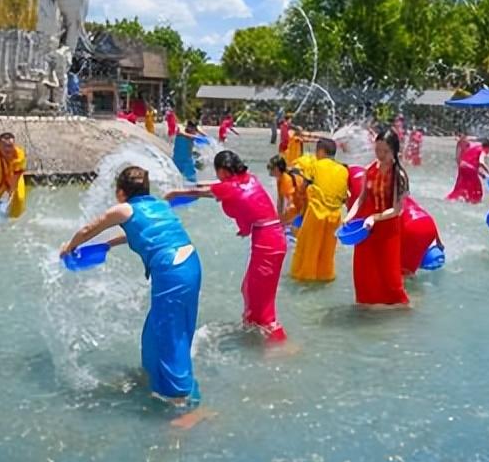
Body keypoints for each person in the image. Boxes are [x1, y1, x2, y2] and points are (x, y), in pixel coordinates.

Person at [60, 166, 202, 405]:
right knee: (157, 330)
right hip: (189, 264)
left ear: (121, 192)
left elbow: (87, 230)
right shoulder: (159, 205)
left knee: (169, 331)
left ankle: (180, 398)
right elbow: (141, 233)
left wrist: (69, 247)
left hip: (172, 270)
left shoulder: (123, 209)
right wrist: (108, 245)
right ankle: (154, 377)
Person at [165, 150, 287, 341]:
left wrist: (175, 193)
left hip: (267, 243)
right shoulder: (249, 179)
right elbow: (228, 192)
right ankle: (255, 334)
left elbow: (204, 192)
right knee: (249, 289)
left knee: (259, 298)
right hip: (273, 237)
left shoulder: (229, 188)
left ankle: (278, 344)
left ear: (222, 170)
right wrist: (246, 228)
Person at [343, 128, 409, 306]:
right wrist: (349, 216)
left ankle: (401, 307)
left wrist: (374, 217)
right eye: (377, 150)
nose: (380, 155)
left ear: (394, 150)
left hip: (387, 229)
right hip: (366, 228)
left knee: (389, 274)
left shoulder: (399, 175)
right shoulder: (370, 169)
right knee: (364, 271)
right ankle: (366, 307)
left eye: (385, 151)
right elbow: (362, 197)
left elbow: (396, 210)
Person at [288, 137, 351, 282]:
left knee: (308, 249)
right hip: (335, 217)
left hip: (317, 214)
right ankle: (324, 277)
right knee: (326, 252)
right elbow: (344, 196)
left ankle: (304, 277)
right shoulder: (343, 170)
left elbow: (303, 187)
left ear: (321, 151)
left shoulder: (316, 165)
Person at [399, 195, 442, 275]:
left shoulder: (384, 200)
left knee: (402, 271)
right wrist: (439, 243)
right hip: (428, 223)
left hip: (412, 227)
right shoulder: (406, 198)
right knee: (409, 270)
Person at [446, 137, 489, 203]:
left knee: (461, 185)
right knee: (477, 188)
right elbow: (481, 162)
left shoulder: (474, 147)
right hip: (469, 169)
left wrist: (481, 174)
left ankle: (454, 198)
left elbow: (470, 162)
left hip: (462, 166)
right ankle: (473, 200)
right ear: (488, 147)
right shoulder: (483, 150)